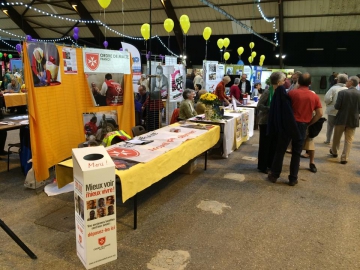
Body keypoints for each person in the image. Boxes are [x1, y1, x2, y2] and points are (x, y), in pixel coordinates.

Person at [267, 71, 301, 186]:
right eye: (283, 80)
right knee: (294, 152)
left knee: (280, 151)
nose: (285, 81)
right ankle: (292, 178)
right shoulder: (282, 91)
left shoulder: (277, 91)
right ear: (278, 81)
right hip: (289, 126)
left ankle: (275, 174)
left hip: (282, 127)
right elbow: (286, 111)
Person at [287, 73, 323, 175]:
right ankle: (293, 177)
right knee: (300, 150)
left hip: (291, 124)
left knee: (287, 149)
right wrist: (309, 123)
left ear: (298, 82)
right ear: (310, 83)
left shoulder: (291, 93)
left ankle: (276, 173)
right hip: (304, 125)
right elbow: (320, 113)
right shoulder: (314, 96)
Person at [330, 76, 360, 164]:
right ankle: (344, 158)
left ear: (351, 82)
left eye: (348, 81)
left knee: (337, 137)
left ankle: (334, 152)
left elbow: (337, 106)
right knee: (349, 140)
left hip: (341, 118)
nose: (346, 82)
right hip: (353, 120)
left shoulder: (342, 93)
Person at [324, 73, 348, 144]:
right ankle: (337, 141)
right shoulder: (347, 89)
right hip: (343, 112)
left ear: (338, 80)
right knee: (340, 127)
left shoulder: (333, 88)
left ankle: (328, 140)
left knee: (330, 126)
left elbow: (327, 99)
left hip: (332, 110)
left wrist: (329, 104)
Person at [256, 84, 275, 174]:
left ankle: (269, 164)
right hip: (265, 122)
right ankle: (262, 166)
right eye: (283, 81)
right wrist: (270, 108)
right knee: (264, 145)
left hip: (273, 122)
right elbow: (259, 106)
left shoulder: (279, 92)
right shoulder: (267, 92)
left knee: (271, 145)